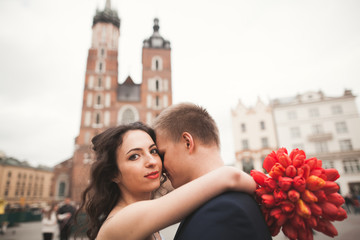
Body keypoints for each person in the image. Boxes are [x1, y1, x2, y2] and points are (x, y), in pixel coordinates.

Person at [77, 121, 256, 240]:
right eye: (134, 156)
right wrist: (272, 189)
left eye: (154, 151)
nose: (152, 161)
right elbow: (229, 176)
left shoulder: (145, 219)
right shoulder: (122, 220)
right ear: (113, 174)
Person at [153, 102, 272, 240]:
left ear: (187, 142)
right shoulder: (223, 202)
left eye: (162, 154)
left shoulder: (225, 210)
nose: (160, 166)